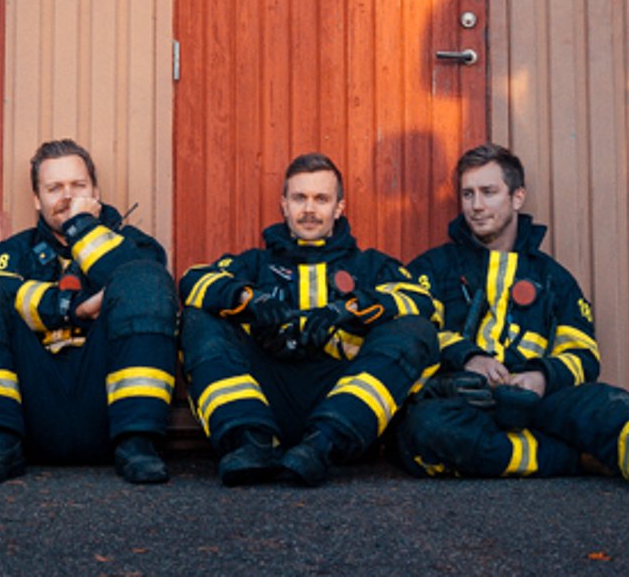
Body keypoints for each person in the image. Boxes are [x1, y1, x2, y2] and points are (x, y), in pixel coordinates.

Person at [396, 143, 629, 496]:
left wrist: (540, 376)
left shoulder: (555, 279)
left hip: (534, 402)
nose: (476, 206)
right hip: (460, 403)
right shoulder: (432, 268)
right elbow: (412, 333)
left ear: (517, 197)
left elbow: (583, 354)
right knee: (427, 430)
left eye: (489, 192)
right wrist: (468, 358)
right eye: (467, 194)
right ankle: (574, 456)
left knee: (602, 405)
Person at [178, 152, 439, 487]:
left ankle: (320, 446)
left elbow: (423, 301)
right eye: (300, 198)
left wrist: (352, 309)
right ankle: (249, 444)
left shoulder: (370, 266)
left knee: (416, 329)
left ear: (339, 208)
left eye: (321, 199)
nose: (310, 210)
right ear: (284, 204)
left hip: (339, 403)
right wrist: (247, 299)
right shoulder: (254, 263)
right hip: (267, 398)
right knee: (199, 318)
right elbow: (192, 280)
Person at [0, 139, 177, 485]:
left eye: (77, 186)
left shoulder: (133, 244)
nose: (66, 196)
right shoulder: (12, 253)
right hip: (27, 411)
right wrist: (73, 307)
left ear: (95, 190)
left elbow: (142, 287)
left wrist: (81, 226)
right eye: (54, 188)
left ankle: (138, 443)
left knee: (145, 278)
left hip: (110, 409)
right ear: (37, 199)